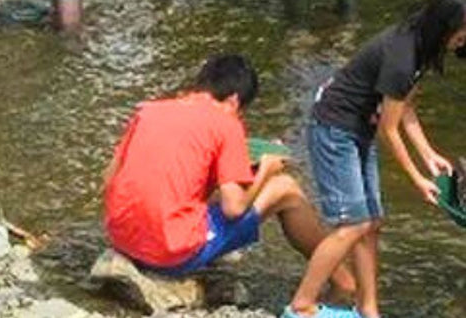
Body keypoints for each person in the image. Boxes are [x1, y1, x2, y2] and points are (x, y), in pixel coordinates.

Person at [104, 56, 358, 300]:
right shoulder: (226, 123)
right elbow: (234, 208)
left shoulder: (149, 111)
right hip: (166, 254)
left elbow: (110, 178)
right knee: (287, 190)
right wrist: (268, 170)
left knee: (203, 192)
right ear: (235, 101)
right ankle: (343, 282)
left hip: (123, 239)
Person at [284, 0, 466, 318]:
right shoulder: (402, 56)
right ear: (446, 26)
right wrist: (417, 180)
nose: (463, 40)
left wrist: (428, 154)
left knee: (372, 224)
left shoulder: (421, 47)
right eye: (463, 31)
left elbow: (403, 107)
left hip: (358, 129)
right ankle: (302, 304)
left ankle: (368, 309)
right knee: (352, 226)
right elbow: (389, 129)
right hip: (335, 130)